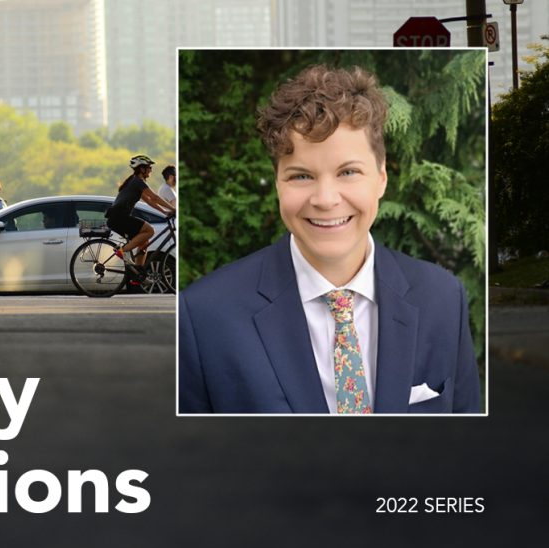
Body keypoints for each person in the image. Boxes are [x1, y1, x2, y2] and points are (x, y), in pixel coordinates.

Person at [178, 64, 480, 414]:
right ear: (277, 183)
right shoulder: (205, 316)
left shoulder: (442, 298)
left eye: (348, 172)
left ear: (381, 179)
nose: (325, 198)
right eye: (301, 176)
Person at [106, 155, 176, 268]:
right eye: (149, 167)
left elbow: (149, 201)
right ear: (142, 169)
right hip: (118, 217)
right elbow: (155, 198)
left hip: (117, 217)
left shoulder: (134, 182)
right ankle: (122, 251)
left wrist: (165, 212)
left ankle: (138, 273)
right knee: (150, 230)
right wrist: (173, 209)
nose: (151, 170)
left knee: (144, 242)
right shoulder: (137, 182)